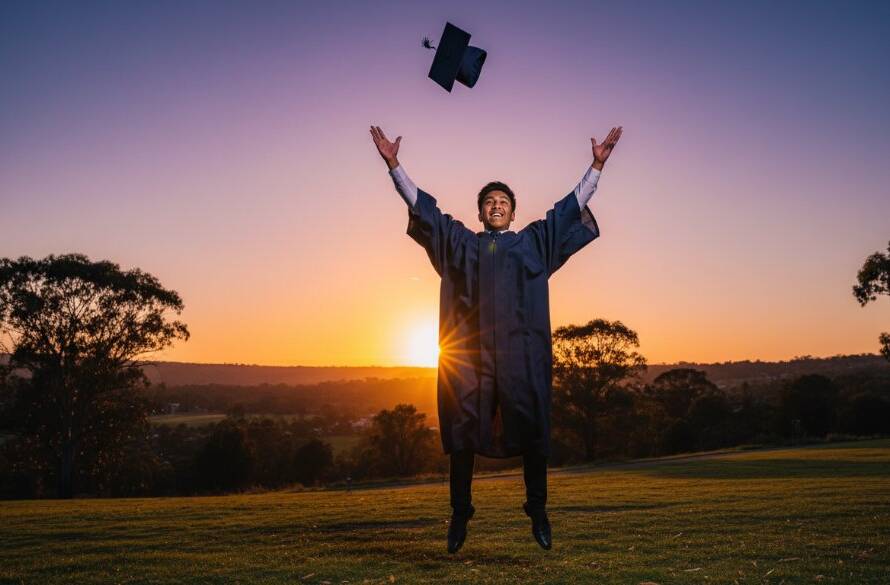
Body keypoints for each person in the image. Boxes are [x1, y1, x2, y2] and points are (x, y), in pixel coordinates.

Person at [370, 124, 622, 553]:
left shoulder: (532, 244)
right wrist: (394, 165)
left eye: (504, 201)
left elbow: (567, 210)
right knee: (464, 428)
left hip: (522, 357)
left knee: (533, 429)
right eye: (490, 201)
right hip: (469, 360)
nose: (497, 205)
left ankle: (538, 510)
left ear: (512, 212)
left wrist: (596, 165)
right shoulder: (462, 244)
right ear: (481, 212)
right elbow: (426, 211)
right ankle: (460, 513)